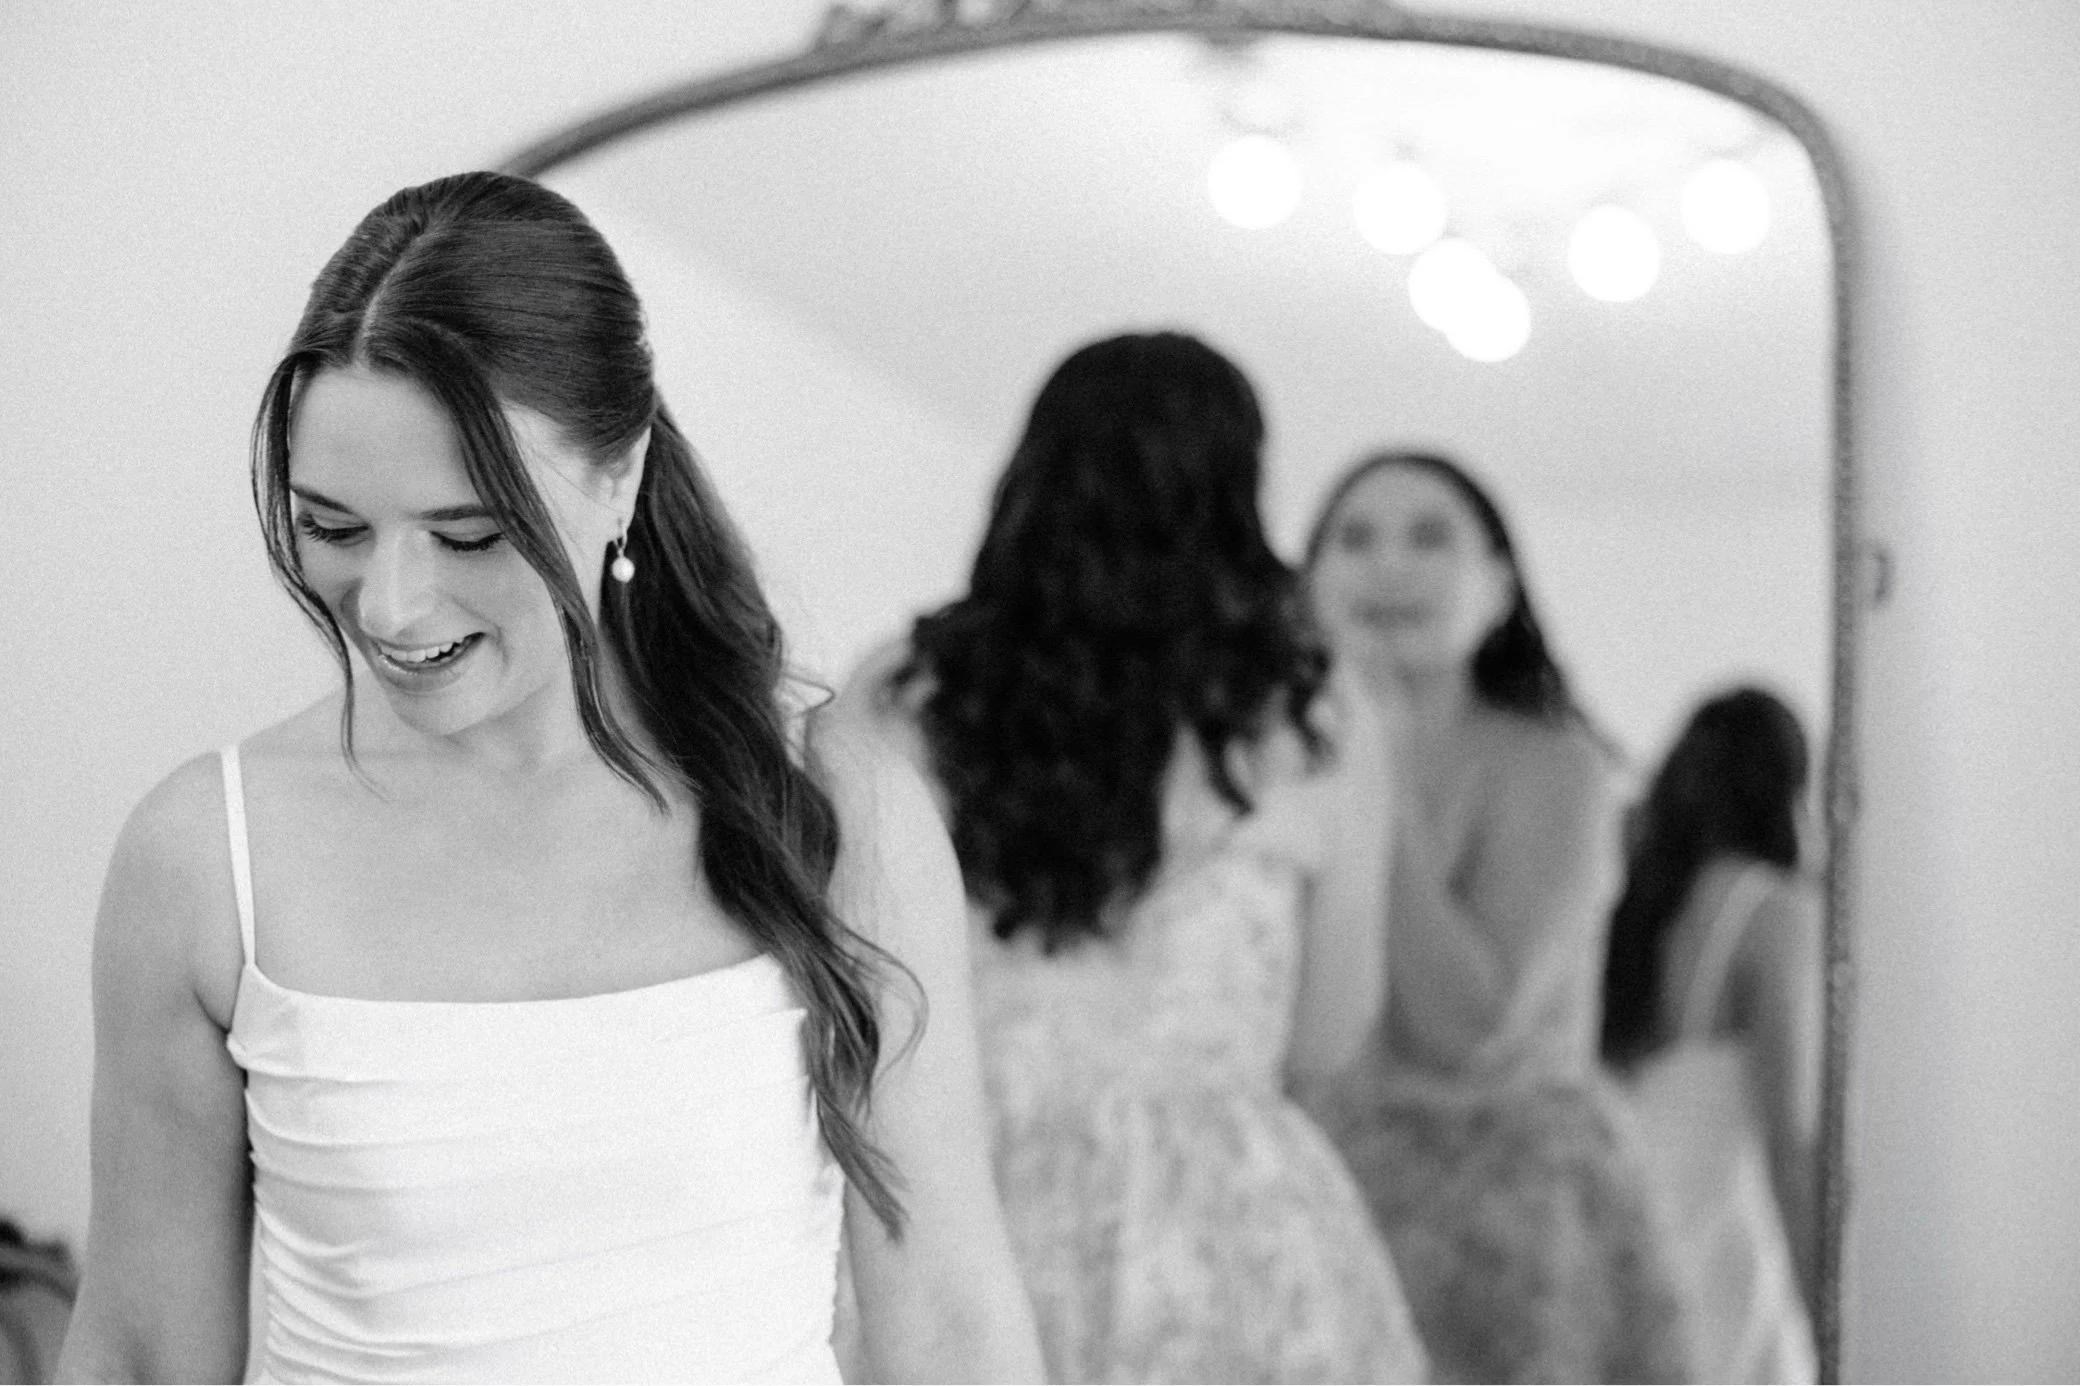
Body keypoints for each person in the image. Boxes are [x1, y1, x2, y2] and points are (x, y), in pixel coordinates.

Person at [56, 171, 1042, 1384]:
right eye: (333, 527)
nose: (392, 604)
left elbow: (947, 1315)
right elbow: (145, 1352)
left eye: (469, 534)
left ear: (620, 475)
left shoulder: (834, 810)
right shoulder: (208, 858)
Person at [832, 332, 1428, 1383]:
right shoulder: (1312, 708)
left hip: (958, 1211)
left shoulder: (900, 695)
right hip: (1229, 1232)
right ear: (1238, 494)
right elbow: (1332, 1033)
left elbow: (843, 987)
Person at [1296, 448, 1692, 1383]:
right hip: (1320, 1207)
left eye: (1430, 537)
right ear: (1309, 586)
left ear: (1500, 589)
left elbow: (1467, 1028)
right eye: (1354, 538)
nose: (1389, 565)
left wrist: (1372, 769)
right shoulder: (1268, 764)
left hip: (1516, 1230)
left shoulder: (1558, 767)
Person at [1602, 685, 1822, 1383]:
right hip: (1718, 1254)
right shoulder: (1769, 912)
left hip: (1617, 1245)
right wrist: (1830, 1314)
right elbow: (1791, 1145)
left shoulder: (1632, 898)